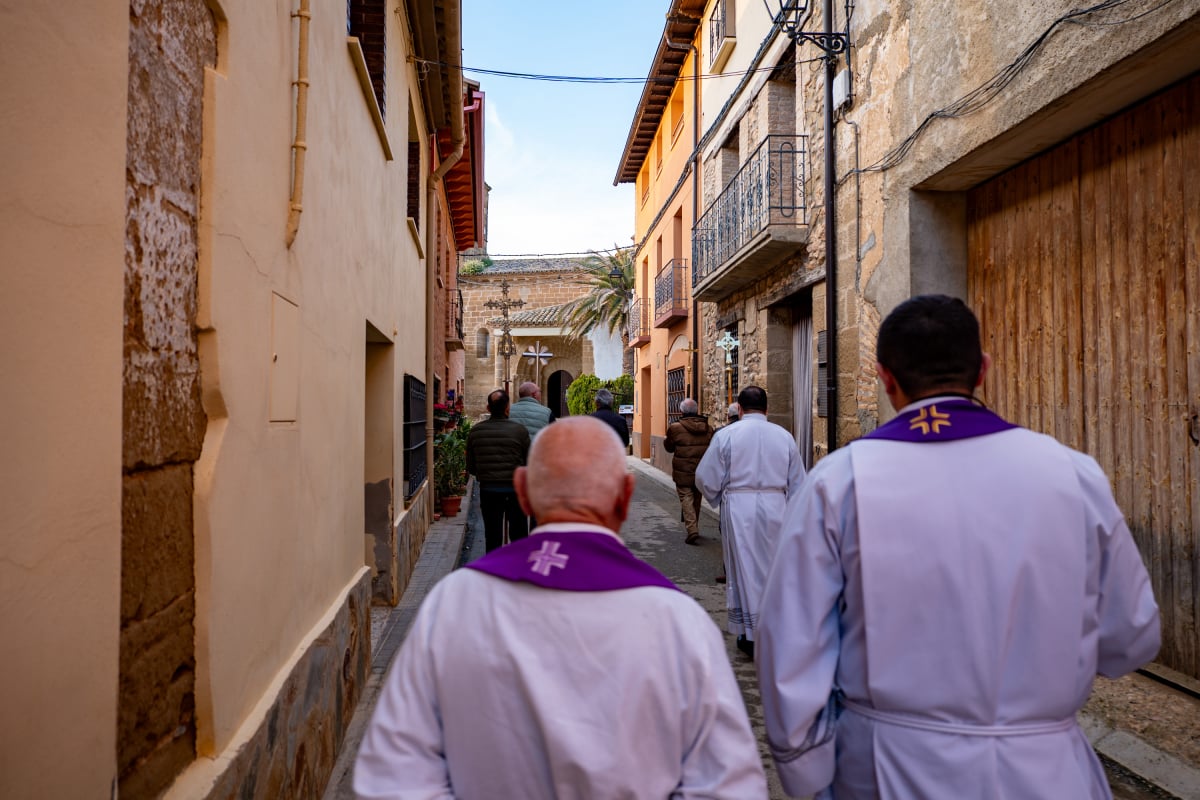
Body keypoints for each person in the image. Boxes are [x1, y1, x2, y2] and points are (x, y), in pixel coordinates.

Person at [756, 294, 1161, 799]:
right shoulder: (1070, 474)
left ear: (885, 378)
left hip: (887, 767)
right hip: (1046, 769)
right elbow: (1133, 636)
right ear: (983, 370)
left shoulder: (839, 482)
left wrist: (808, 771)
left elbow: (792, 644)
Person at [354, 417, 769, 799]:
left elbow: (393, 775)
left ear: (523, 492)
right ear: (625, 497)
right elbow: (729, 785)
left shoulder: (452, 603)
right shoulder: (679, 621)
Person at [695, 385, 805, 659]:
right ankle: (773, 628)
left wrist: (720, 495)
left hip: (739, 506)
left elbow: (705, 477)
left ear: (740, 409)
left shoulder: (727, 436)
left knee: (744, 567)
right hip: (776, 504)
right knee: (773, 566)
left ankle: (749, 632)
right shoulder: (784, 437)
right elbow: (799, 482)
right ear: (767, 409)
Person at [465, 389, 530, 552]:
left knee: (492, 535)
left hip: (489, 489)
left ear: (488, 408)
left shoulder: (476, 432)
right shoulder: (519, 430)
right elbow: (528, 461)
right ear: (508, 407)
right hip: (515, 490)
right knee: (519, 533)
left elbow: (471, 466)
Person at [663, 397, 714, 545]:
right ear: (696, 410)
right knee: (696, 498)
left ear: (682, 411)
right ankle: (694, 526)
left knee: (686, 498)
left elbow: (669, 447)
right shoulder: (708, 429)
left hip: (683, 470)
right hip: (701, 470)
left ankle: (692, 530)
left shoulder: (675, 428)